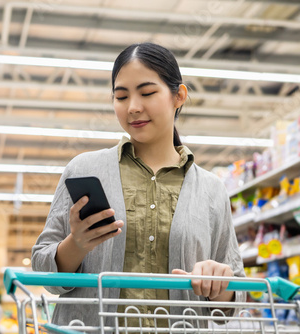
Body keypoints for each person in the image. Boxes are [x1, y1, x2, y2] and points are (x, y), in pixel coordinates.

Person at [31, 42, 245, 328]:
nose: (133, 107)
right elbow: (43, 268)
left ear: (178, 96)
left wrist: (219, 283)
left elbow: (238, 294)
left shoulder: (211, 190)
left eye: (147, 93)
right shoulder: (83, 169)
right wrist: (76, 244)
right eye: (121, 97)